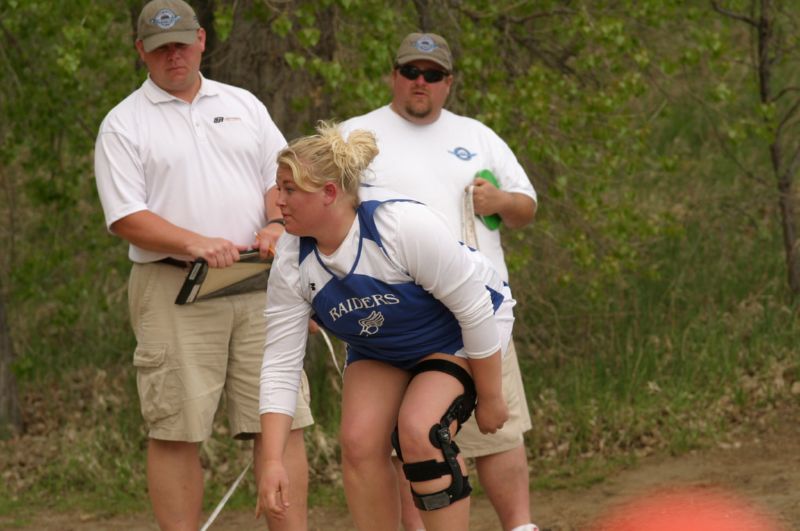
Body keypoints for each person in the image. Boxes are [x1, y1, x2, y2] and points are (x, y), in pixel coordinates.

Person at [92, 1, 312, 529]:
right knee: (176, 429)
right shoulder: (123, 124)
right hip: (174, 290)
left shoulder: (245, 105)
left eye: (183, 43)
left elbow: (280, 180)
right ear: (141, 50)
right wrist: (194, 243)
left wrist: (278, 224)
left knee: (282, 423)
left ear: (202, 42)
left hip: (261, 284)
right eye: (161, 46)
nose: (175, 55)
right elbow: (126, 216)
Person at [256, 122, 515, 531]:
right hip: (384, 345)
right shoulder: (292, 259)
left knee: (421, 431)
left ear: (328, 193)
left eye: (290, 189)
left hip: (457, 330)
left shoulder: (398, 225)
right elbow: (280, 364)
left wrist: (491, 396)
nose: (277, 200)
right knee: (359, 442)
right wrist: (271, 461)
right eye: (278, 187)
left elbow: (474, 309)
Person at [340, 32, 539, 531]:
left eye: (432, 74)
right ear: (394, 75)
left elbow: (526, 207)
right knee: (415, 437)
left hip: (477, 301)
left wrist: (500, 202)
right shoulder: (356, 136)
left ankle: (520, 526)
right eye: (410, 72)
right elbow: (320, 204)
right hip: (396, 312)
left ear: (448, 82)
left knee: (499, 431)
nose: (420, 82)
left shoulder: (476, 135)